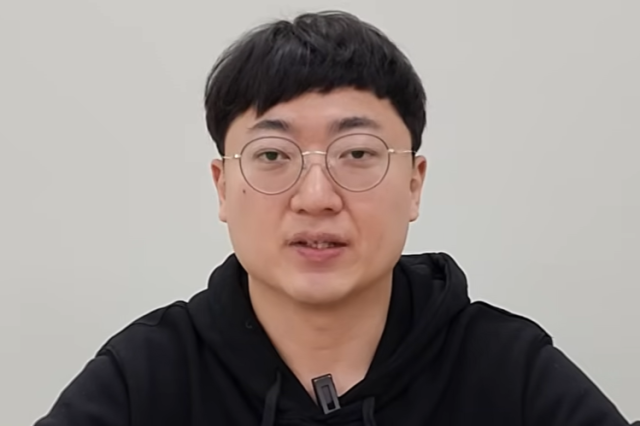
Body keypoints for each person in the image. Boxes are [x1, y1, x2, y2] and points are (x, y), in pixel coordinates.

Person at [34, 10, 632, 426]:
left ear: (414, 184)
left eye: (358, 154)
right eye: (273, 155)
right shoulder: (145, 378)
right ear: (222, 187)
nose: (316, 196)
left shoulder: (507, 370)